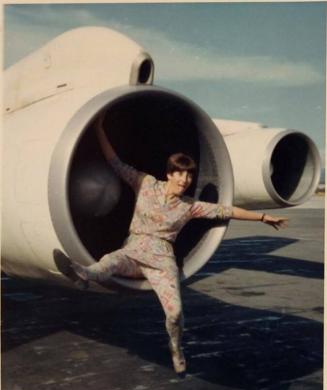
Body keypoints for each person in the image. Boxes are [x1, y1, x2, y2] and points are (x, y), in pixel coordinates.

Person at [70, 113, 288, 374]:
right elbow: (114, 162)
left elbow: (225, 211)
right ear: (169, 173)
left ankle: (176, 348)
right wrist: (98, 129)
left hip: (162, 261)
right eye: (180, 174)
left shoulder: (189, 207)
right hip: (134, 252)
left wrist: (263, 217)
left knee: (175, 314)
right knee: (109, 262)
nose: (185, 180)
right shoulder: (145, 184)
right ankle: (84, 273)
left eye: (188, 176)